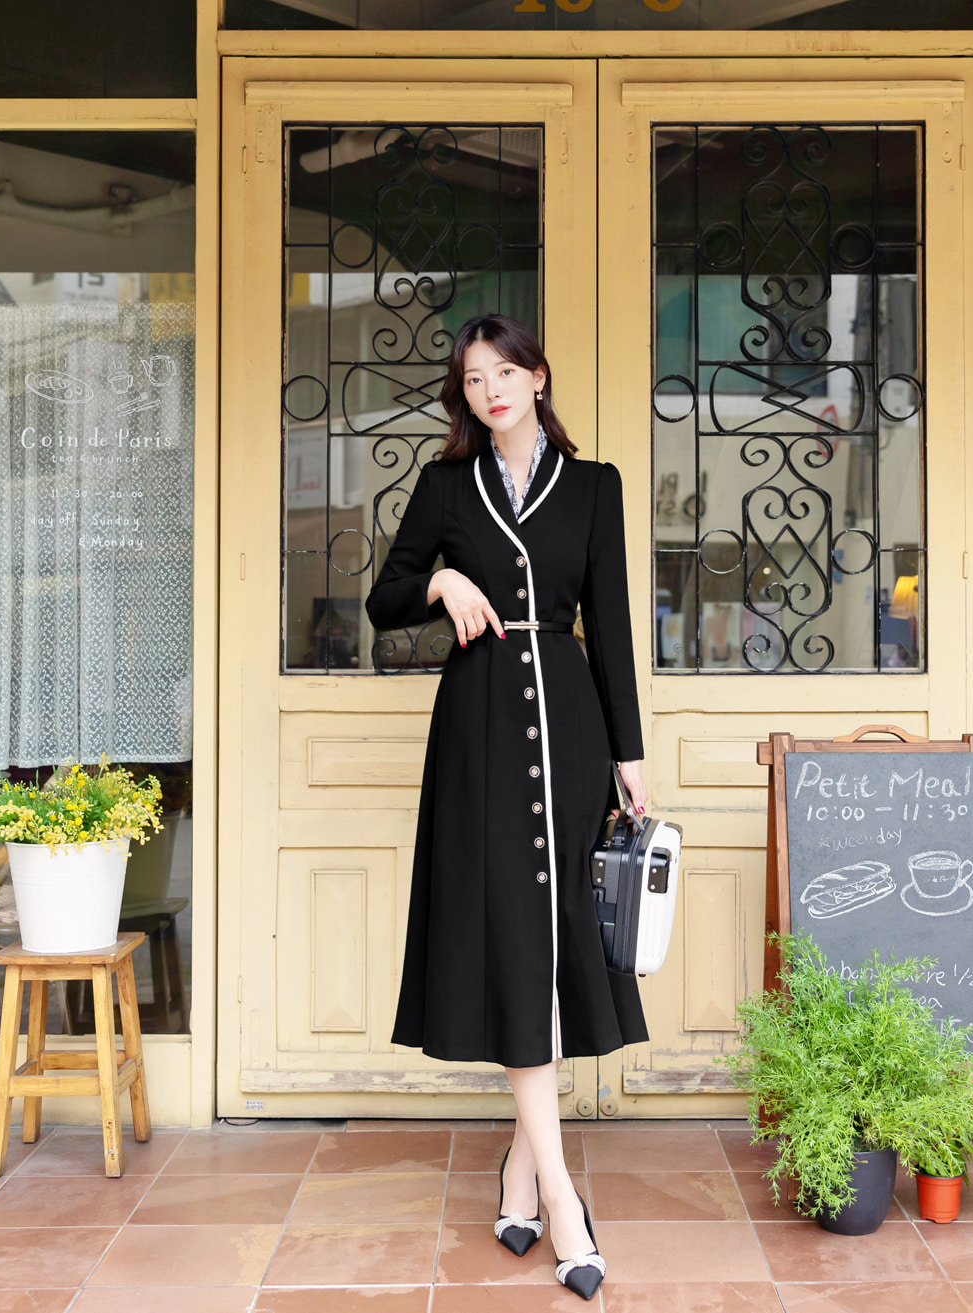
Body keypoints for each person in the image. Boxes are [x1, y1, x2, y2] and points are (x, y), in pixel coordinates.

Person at [365, 313, 649, 1301]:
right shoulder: (448, 485)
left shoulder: (596, 485)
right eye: (472, 377)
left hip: (569, 729)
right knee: (517, 943)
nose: (489, 389)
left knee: (560, 946)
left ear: (538, 376)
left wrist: (630, 753)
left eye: (504, 371)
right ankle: (562, 1198)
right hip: (480, 733)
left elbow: (608, 624)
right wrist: (441, 577)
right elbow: (383, 599)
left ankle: (523, 1167)